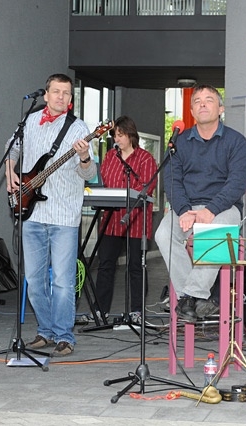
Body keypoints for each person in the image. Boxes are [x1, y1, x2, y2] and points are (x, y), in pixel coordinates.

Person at [5, 73, 97, 357]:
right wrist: (10, 171)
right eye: (56, 91)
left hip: (63, 215)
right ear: (45, 95)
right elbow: (11, 149)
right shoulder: (30, 121)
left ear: (71, 99)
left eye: (66, 93)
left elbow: (89, 173)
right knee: (34, 280)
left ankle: (64, 335)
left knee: (62, 281)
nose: (61, 96)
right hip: (32, 212)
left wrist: (84, 157)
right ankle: (45, 331)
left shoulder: (78, 128)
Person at [155, 84, 246, 323]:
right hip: (188, 207)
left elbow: (237, 184)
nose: (203, 104)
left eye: (209, 100)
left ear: (221, 108)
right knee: (163, 234)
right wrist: (183, 210)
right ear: (192, 111)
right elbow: (172, 181)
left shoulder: (236, 142)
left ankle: (190, 296)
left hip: (224, 208)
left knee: (216, 230)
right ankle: (192, 298)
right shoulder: (179, 142)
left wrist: (211, 210)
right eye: (197, 101)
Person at [94, 116, 157, 324]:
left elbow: (146, 188)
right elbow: (103, 182)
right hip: (111, 220)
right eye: (115, 135)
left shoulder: (145, 159)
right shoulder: (110, 156)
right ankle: (100, 310)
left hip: (135, 220)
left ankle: (136, 311)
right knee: (105, 265)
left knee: (135, 266)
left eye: (120, 135)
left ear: (131, 135)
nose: (117, 139)